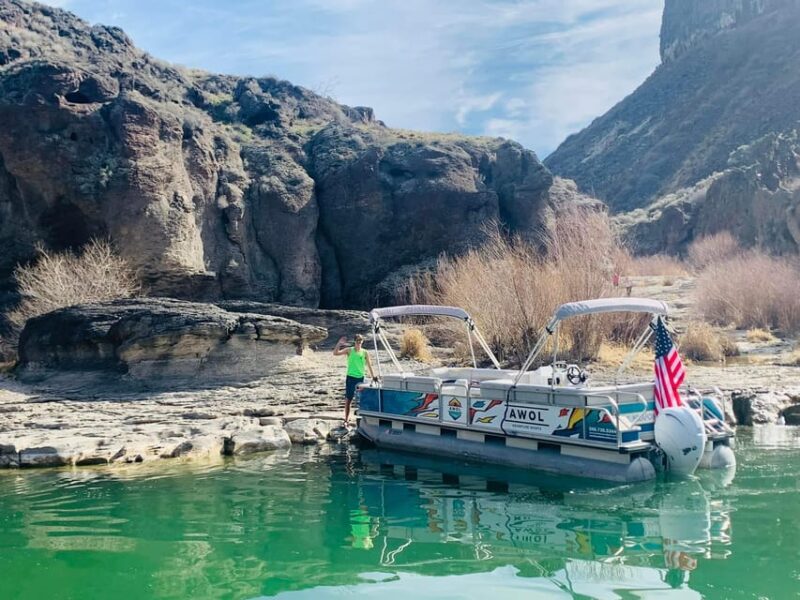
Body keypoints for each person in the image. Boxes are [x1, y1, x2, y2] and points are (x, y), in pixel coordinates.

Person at [333, 333, 376, 427]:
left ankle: (363, 419)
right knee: (349, 399)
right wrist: (339, 343)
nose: (359, 343)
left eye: (360, 341)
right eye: (357, 341)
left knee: (362, 399)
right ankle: (346, 419)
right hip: (350, 378)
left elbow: (369, 365)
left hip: (361, 379)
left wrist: (373, 376)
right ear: (354, 342)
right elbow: (335, 353)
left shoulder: (365, 352)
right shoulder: (350, 350)